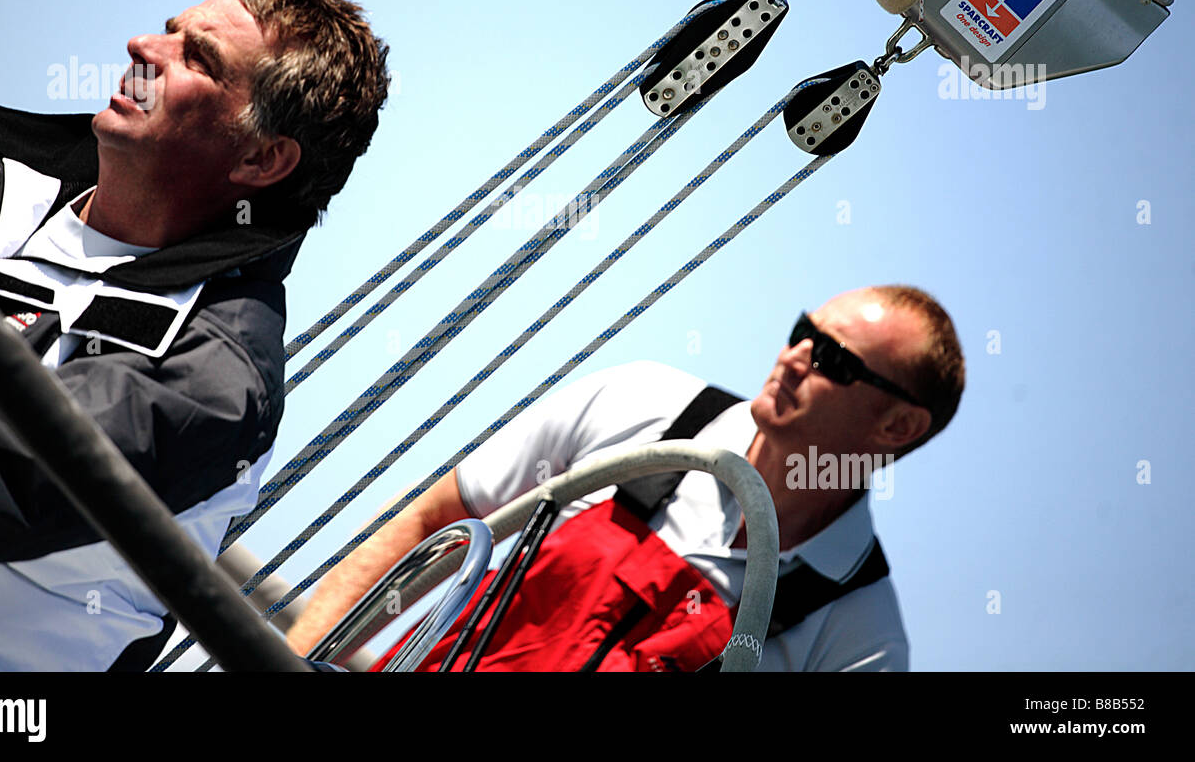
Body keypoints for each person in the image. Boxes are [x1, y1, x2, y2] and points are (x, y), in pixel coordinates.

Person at [0, 0, 389, 671]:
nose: (144, 47)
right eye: (169, 29)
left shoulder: (217, 373)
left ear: (260, 157)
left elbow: (9, 474)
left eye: (198, 58)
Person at [285, 285, 964, 671]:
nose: (792, 358)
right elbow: (430, 530)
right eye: (801, 332)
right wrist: (300, 658)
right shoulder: (643, 404)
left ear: (898, 428)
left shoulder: (859, 637)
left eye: (835, 361)